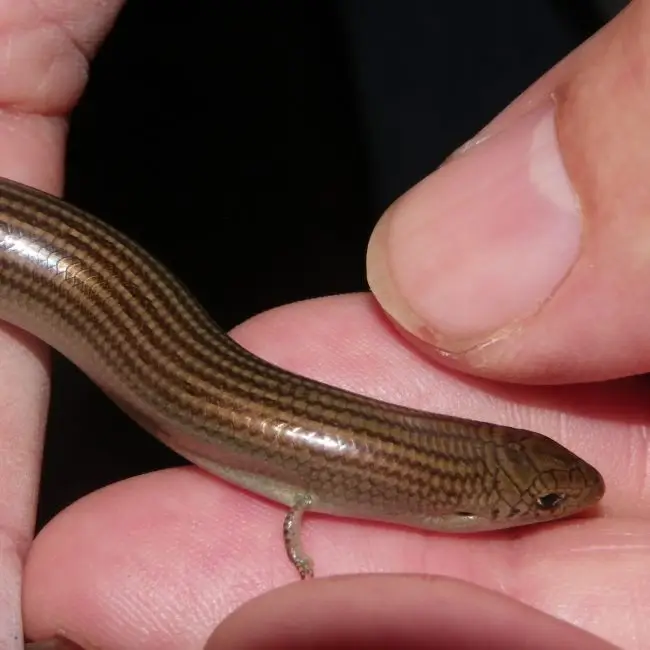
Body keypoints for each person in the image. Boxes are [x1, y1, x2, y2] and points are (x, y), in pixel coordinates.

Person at [11, 1, 641, 648]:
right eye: (543, 502)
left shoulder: (398, 469)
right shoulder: (412, 486)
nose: (562, 504)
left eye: (543, 501)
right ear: (462, 510)